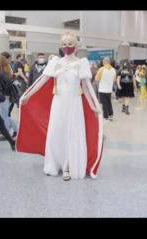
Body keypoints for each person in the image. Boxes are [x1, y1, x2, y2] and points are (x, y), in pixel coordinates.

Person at [17, 32, 103, 181]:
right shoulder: (55, 62)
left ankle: (67, 167)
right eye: (64, 44)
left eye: (70, 44)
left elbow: (87, 88)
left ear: (75, 46)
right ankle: (56, 162)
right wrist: (27, 95)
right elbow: (42, 81)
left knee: (71, 134)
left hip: (74, 103)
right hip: (59, 102)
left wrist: (93, 106)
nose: (67, 47)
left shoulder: (81, 63)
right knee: (56, 133)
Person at [0, 55, 19, 142]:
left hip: (4, 96)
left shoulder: (1, 72)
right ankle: (16, 130)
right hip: (6, 97)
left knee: (4, 116)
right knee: (5, 115)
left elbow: (8, 82)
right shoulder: (6, 71)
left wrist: (5, 93)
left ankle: (7, 134)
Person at [95, 57, 116, 122]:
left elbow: (97, 79)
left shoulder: (101, 69)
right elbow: (114, 79)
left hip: (102, 89)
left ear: (104, 62)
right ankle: (111, 114)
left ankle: (106, 116)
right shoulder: (113, 70)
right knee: (109, 102)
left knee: (104, 103)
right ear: (109, 62)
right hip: (109, 89)